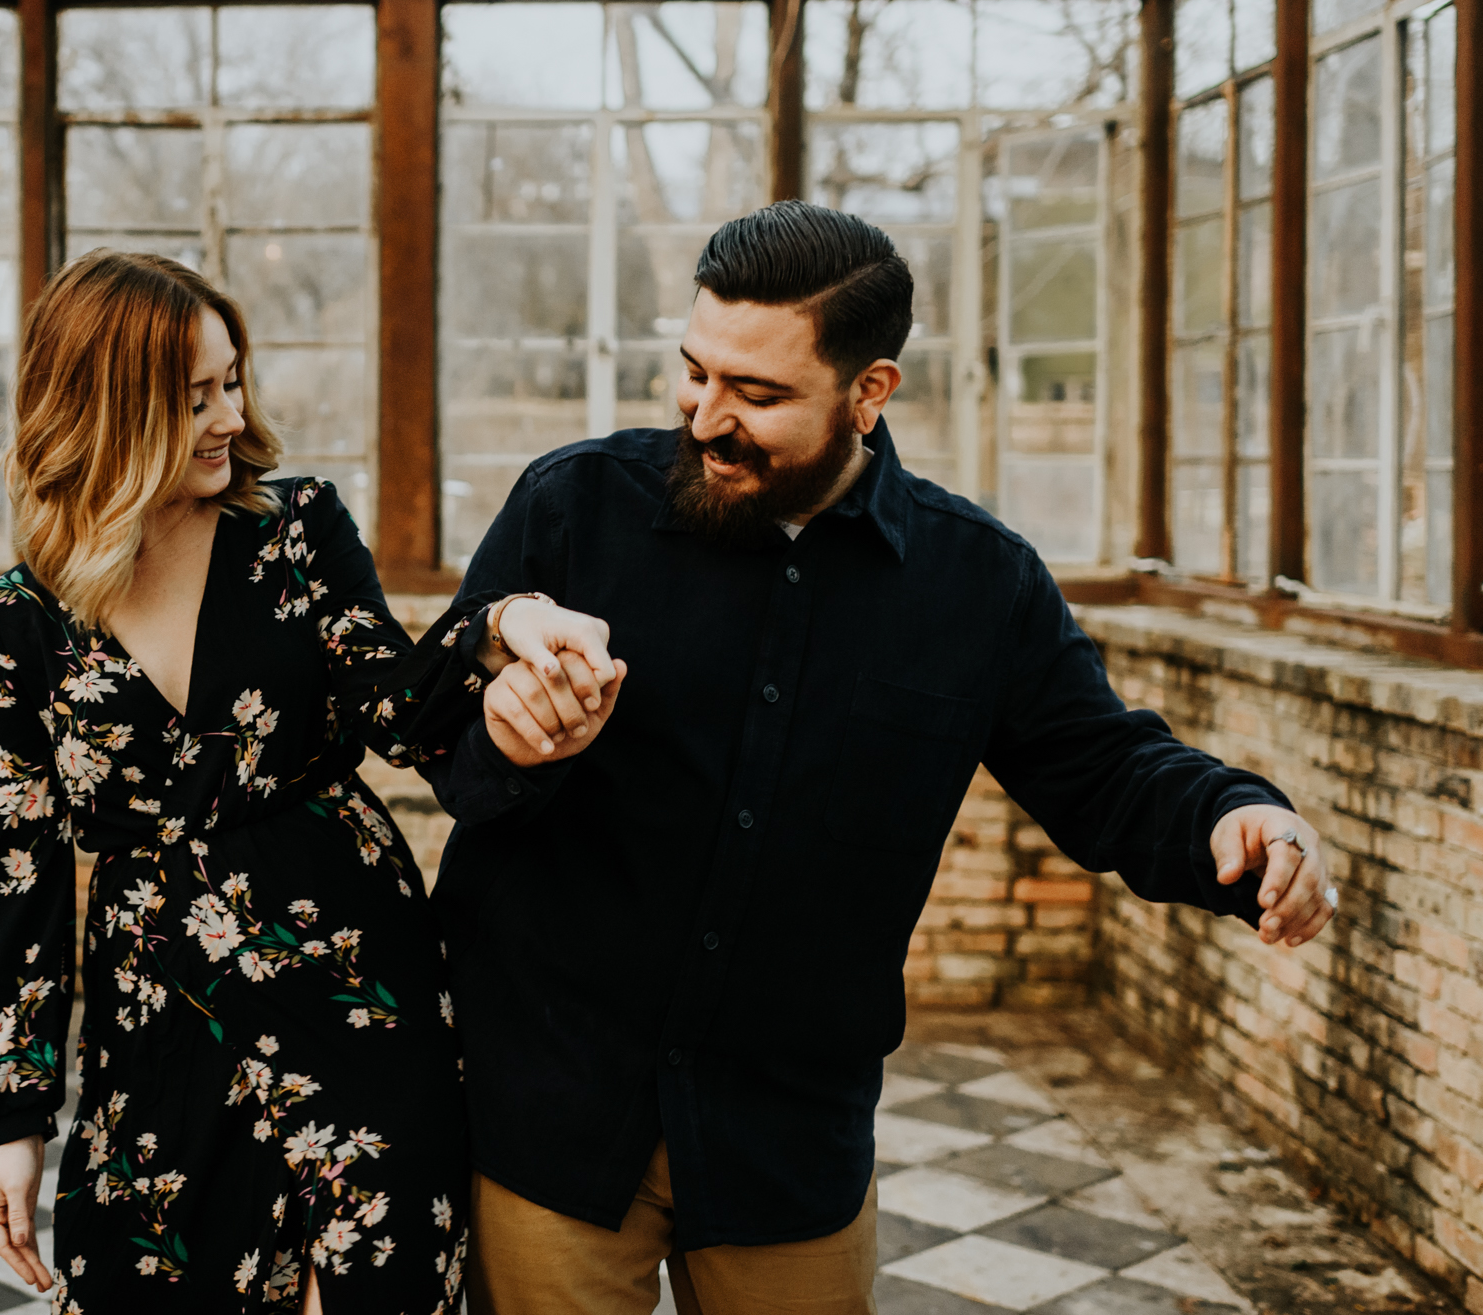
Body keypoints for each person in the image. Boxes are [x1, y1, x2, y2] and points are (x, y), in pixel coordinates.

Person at [421, 200, 1339, 1315]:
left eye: (756, 395)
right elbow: (435, 725)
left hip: (786, 1139)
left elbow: (1102, 768)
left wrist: (1231, 818)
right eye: (693, 371)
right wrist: (506, 739)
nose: (704, 416)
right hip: (550, 1111)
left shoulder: (977, 582)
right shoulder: (573, 505)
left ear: (868, 394)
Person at [0, 249, 617, 1313]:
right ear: (105, 411)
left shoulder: (295, 530)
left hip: (353, 985)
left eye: (232, 380)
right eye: (191, 397)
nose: (229, 415)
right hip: (158, 1024)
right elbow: (15, 868)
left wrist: (499, 626)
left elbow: (397, 708)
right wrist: (15, 1126)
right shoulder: (15, 621)